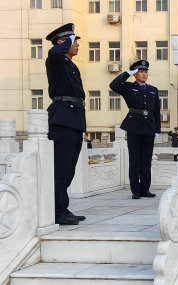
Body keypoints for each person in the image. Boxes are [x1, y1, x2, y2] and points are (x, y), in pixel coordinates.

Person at [45, 23, 87, 225]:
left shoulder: (70, 65)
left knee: (69, 169)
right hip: (62, 119)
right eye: (74, 41)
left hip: (74, 119)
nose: (77, 44)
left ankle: (62, 207)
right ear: (62, 43)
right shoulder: (56, 61)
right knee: (61, 169)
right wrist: (65, 40)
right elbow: (55, 52)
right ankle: (57, 212)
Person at [109, 60, 160, 199]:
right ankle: (135, 190)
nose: (144, 74)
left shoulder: (153, 90)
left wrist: (157, 130)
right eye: (140, 72)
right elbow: (113, 85)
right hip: (134, 126)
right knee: (135, 159)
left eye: (146, 72)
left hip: (149, 126)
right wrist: (127, 74)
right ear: (135, 73)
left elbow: (156, 110)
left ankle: (145, 189)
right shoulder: (128, 87)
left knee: (146, 160)